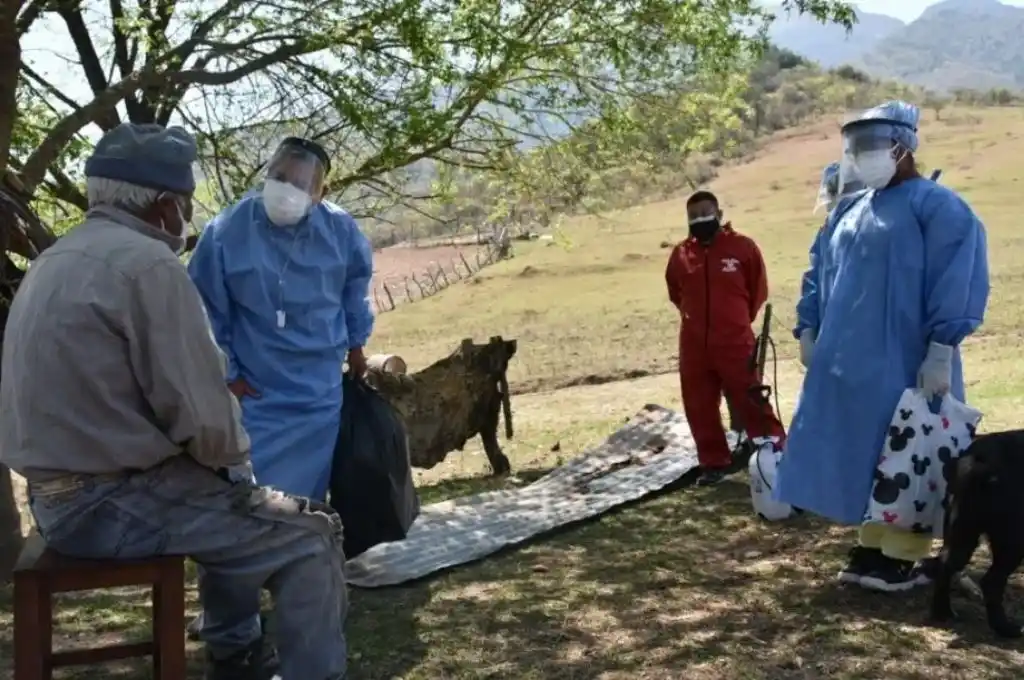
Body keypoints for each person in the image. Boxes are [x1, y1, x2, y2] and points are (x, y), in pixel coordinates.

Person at [0, 123, 349, 680]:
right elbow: (205, 419)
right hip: (111, 501)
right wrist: (242, 480)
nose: (185, 214)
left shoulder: (55, 259)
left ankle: (236, 649)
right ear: (165, 206)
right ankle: (267, 661)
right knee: (309, 534)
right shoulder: (148, 266)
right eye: (183, 202)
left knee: (238, 512)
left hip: (52, 498)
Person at [776, 100, 990, 592]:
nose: (863, 155)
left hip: (907, 361)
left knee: (908, 453)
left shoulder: (937, 206)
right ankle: (872, 544)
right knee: (864, 453)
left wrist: (941, 348)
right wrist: (809, 329)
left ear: (903, 146)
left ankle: (903, 554)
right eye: (856, 147)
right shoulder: (850, 211)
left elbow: (958, 276)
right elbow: (821, 272)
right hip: (847, 362)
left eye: (873, 145)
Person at [188, 136, 375, 502]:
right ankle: (249, 558)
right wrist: (229, 377)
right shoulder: (227, 230)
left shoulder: (339, 231)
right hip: (258, 394)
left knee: (308, 496)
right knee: (254, 496)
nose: (285, 190)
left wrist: (356, 346)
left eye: (300, 184)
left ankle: (303, 553)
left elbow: (355, 290)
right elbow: (204, 307)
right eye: (279, 177)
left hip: (318, 393)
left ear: (320, 192)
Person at [665, 190, 788, 486]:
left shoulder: (742, 247)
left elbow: (757, 289)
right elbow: (675, 293)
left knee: (751, 398)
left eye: (706, 213)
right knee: (699, 404)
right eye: (693, 216)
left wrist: (735, 321)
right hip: (695, 344)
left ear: (719, 214)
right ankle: (714, 462)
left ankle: (773, 452)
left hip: (734, 340)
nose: (700, 219)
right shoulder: (682, 254)